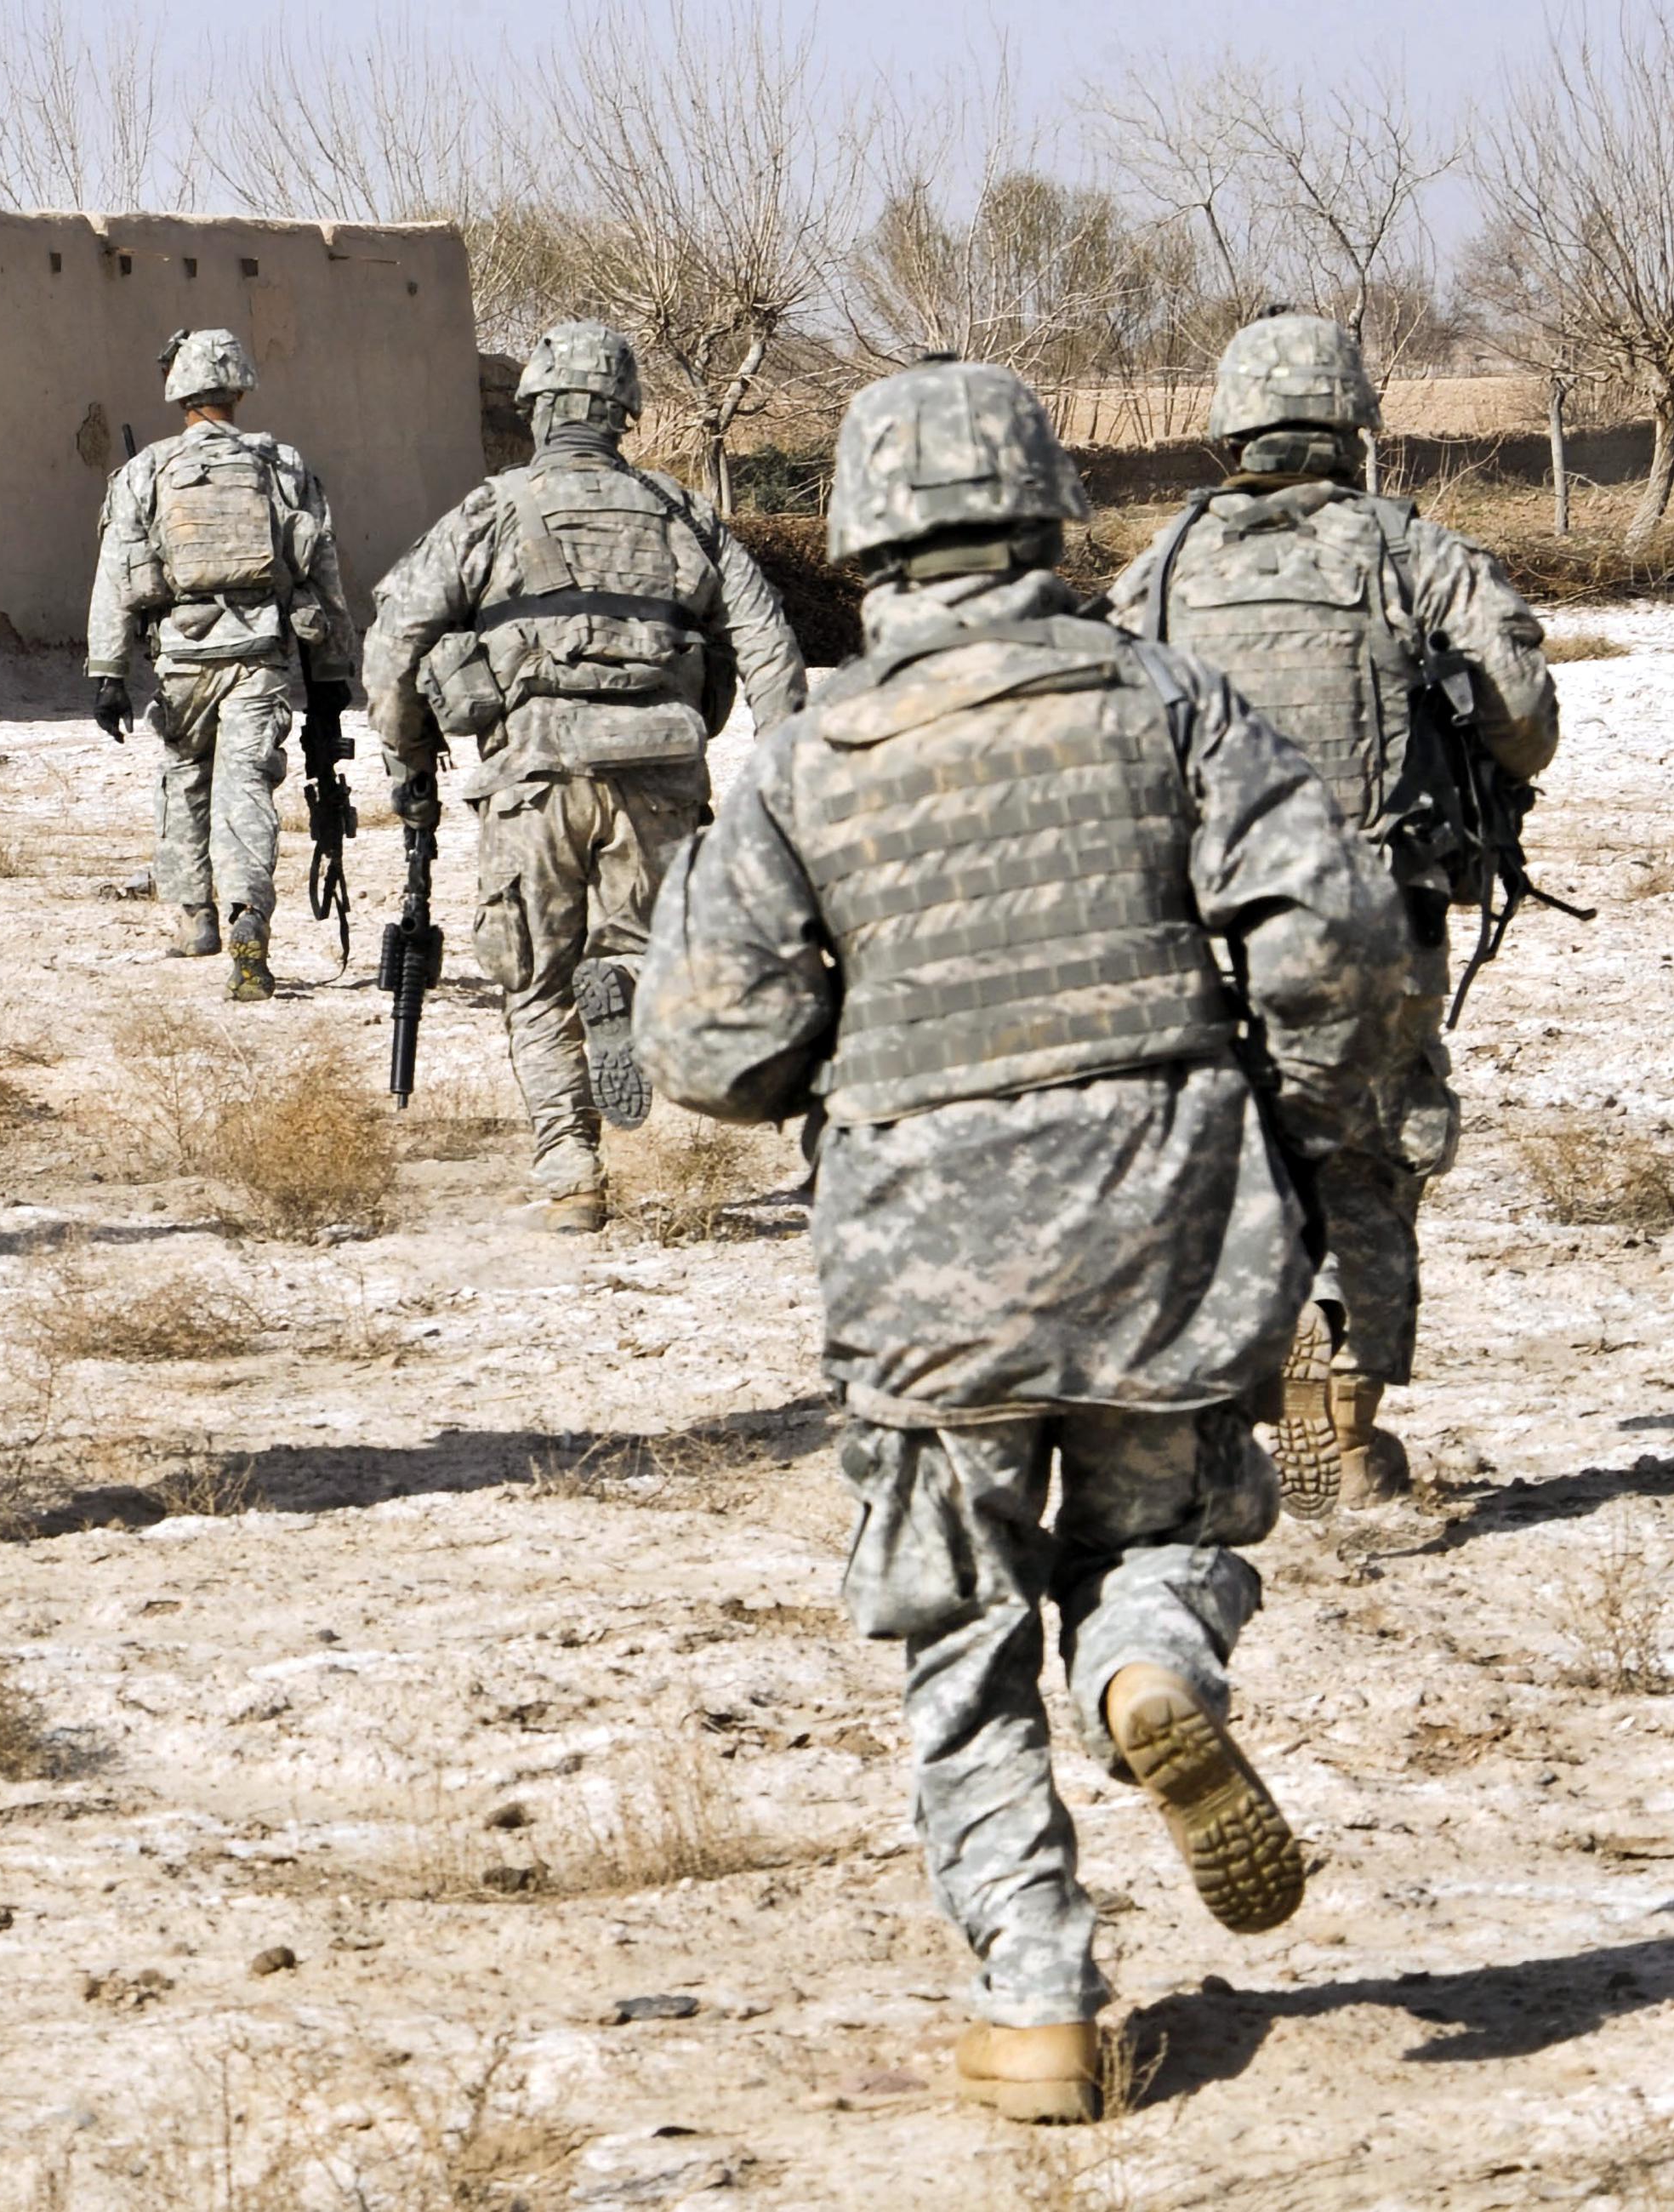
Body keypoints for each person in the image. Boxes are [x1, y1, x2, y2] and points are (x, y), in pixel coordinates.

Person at [638, 356, 1400, 2124]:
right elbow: (1334, 946)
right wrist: (1281, 1119)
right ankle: (1148, 1667)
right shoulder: (1174, 703)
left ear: (865, 539)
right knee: (1173, 1527)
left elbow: (705, 1053)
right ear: (1048, 514)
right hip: (1166, 1218)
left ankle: (1039, 1994)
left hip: (925, 1263)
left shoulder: (809, 758)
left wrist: (862, 1050)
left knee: (958, 1625)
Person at [1110, 311, 1560, 1511]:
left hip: (1206, 917)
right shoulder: (1412, 551)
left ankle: (1238, 1390)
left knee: (1221, 1146)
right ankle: (1350, 1432)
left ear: (1230, 431)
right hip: (1371, 910)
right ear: (1354, 425)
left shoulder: (1163, 568)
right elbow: (1523, 716)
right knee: (1371, 1150)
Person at [360, 321, 806, 1229]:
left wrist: (407, 759)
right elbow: (768, 645)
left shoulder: (487, 510)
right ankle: (626, 994)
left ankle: (570, 1170)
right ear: (623, 413)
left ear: (537, 409)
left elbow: (395, 639)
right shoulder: (682, 513)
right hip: (659, 772)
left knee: (532, 975)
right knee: (640, 946)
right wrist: (781, 774)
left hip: (533, 775)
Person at [84, 328, 356, 1001]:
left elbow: (115, 575)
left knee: (183, 781)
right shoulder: (281, 465)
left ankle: (194, 921)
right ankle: (248, 920)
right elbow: (322, 569)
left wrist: (107, 673)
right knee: (246, 792)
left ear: (177, 391)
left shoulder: (146, 470)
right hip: (258, 657)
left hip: (181, 659)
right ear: (238, 388)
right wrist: (331, 675)